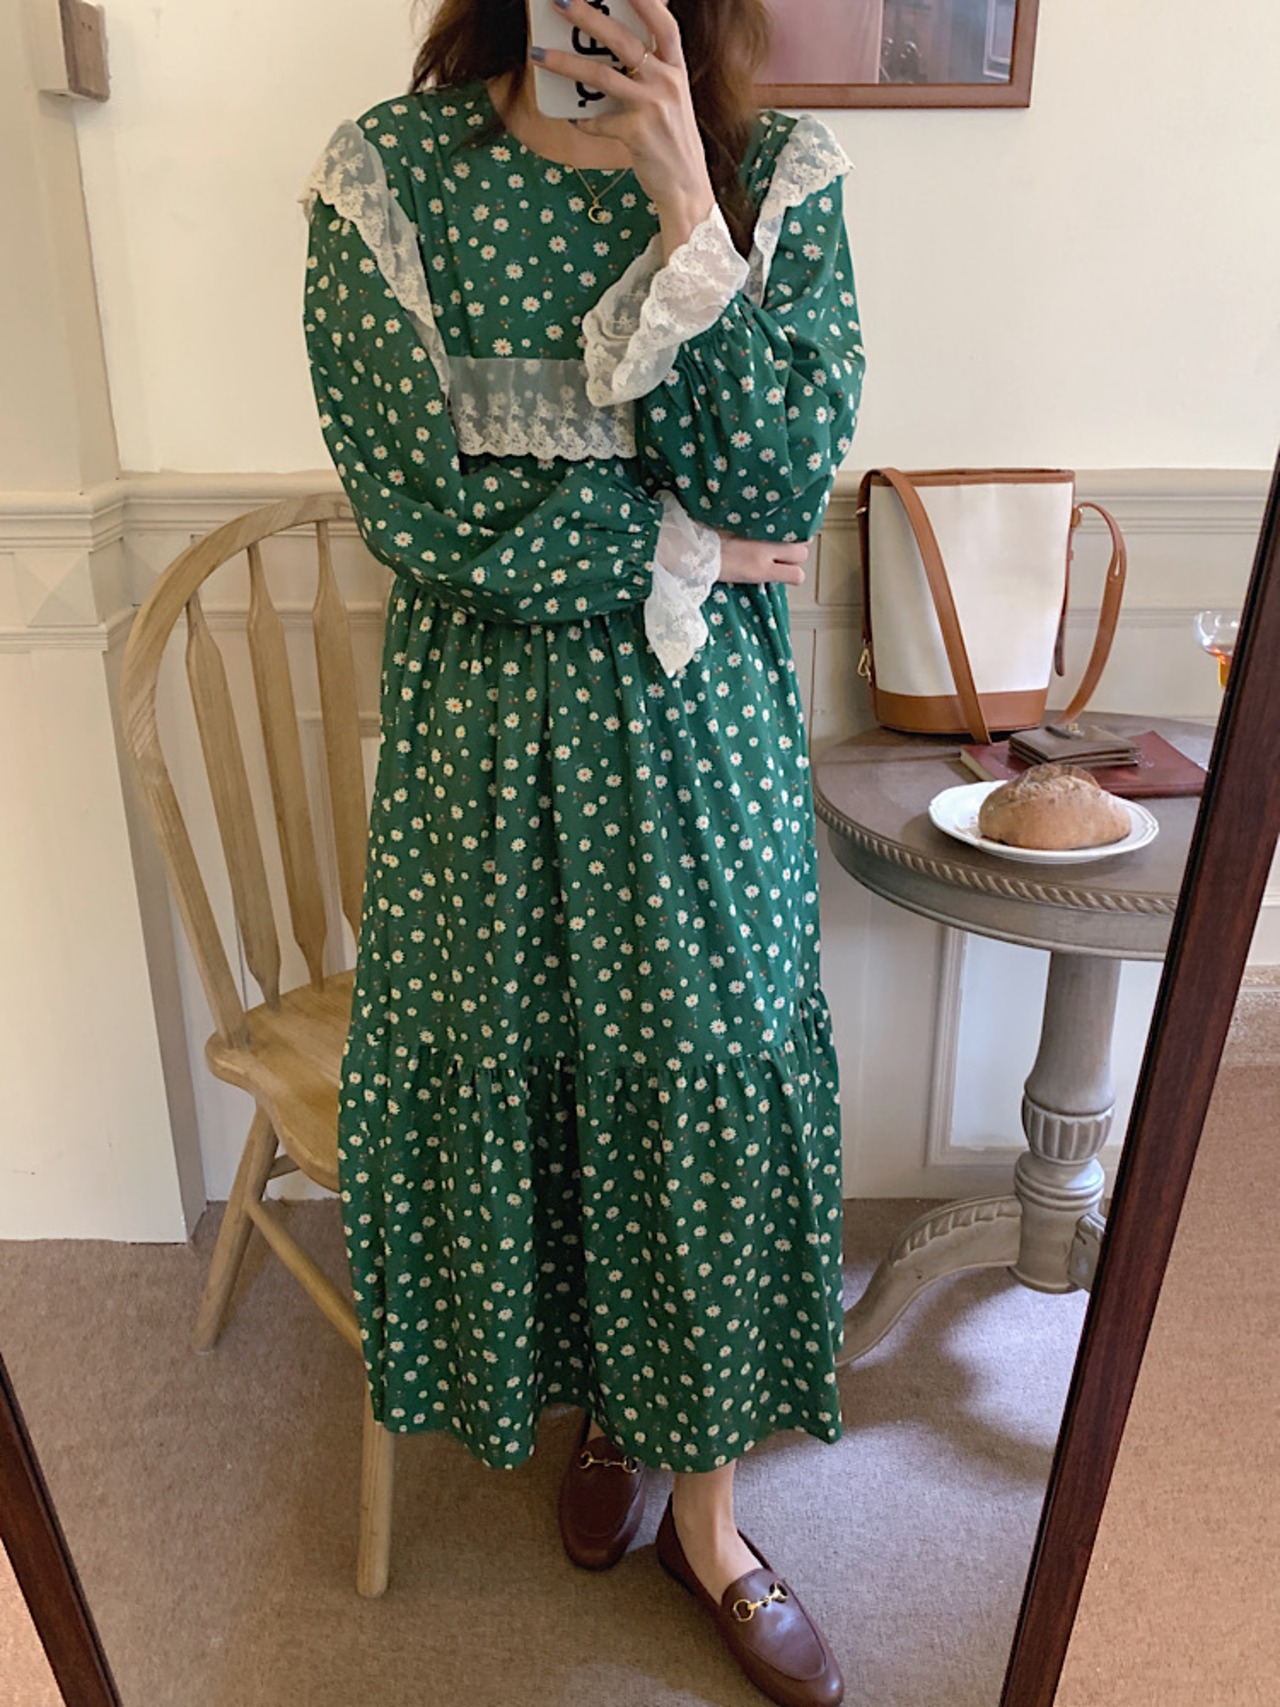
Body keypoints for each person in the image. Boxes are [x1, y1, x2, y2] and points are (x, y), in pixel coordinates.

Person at [302, 1, 863, 1700]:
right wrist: (680, 544)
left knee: (701, 1091)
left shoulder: (774, 170)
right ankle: (615, 1402)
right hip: (481, 761)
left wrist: (687, 195)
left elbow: (781, 474)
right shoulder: (392, 175)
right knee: (532, 1082)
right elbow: (416, 508)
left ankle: (712, 1518)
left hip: (698, 761)